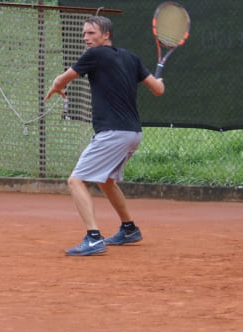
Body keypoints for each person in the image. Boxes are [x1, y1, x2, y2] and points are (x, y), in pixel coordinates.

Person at [44, 15, 165, 256]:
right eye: (84, 34)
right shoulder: (132, 58)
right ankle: (129, 229)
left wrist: (56, 87)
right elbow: (158, 89)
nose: (86, 38)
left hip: (113, 133)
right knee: (105, 180)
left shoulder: (95, 55)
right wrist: (159, 80)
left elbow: (63, 78)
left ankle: (93, 238)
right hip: (132, 133)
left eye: (91, 33)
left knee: (76, 180)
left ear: (106, 35)